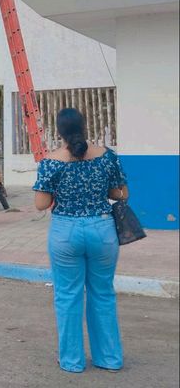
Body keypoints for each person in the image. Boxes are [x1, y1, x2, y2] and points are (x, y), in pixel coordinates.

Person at [33, 108, 128, 373]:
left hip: (65, 232)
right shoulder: (107, 156)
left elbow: (41, 203)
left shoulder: (51, 161)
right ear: (84, 127)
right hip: (102, 229)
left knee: (67, 296)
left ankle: (72, 361)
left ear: (59, 131)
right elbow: (120, 193)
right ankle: (109, 359)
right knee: (103, 293)